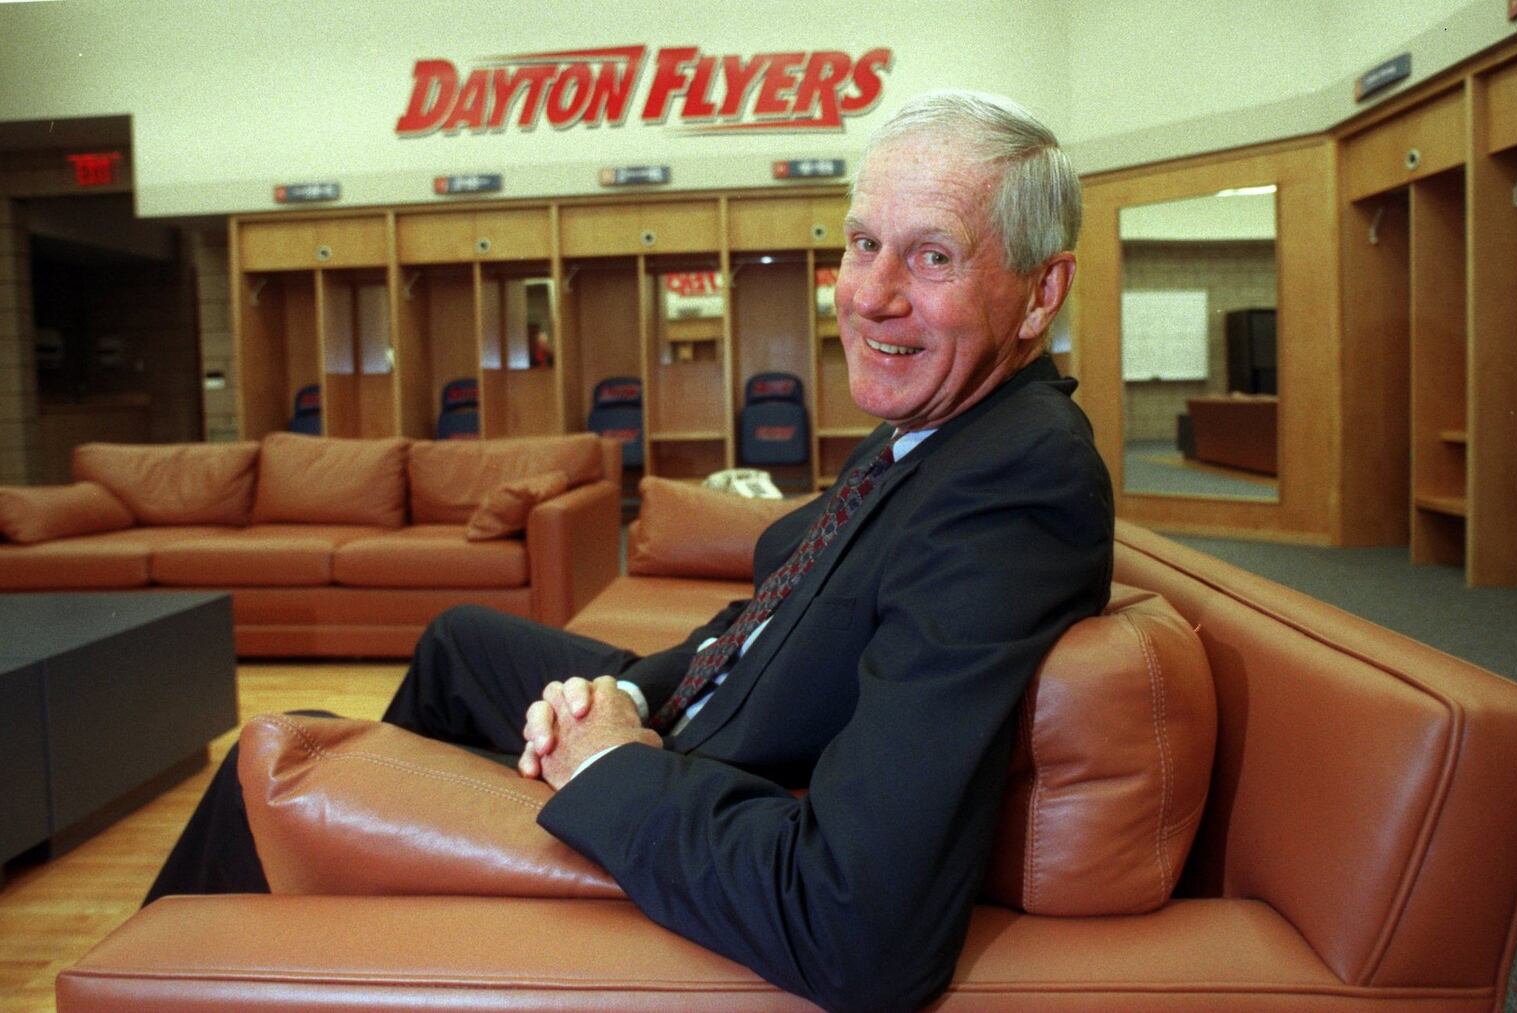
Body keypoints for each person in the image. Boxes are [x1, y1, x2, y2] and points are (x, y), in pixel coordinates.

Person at [147, 89, 1113, 1012]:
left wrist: (608, 759)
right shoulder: (938, 421)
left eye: (932, 257)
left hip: (708, 772)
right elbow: (778, 610)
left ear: (1041, 292)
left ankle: (185, 966)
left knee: (271, 757)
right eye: (863, 244)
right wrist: (632, 695)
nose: (871, 294)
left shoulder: (1014, 480)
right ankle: (374, 920)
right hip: (704, 708)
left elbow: (860, 925)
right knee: (460, 643)